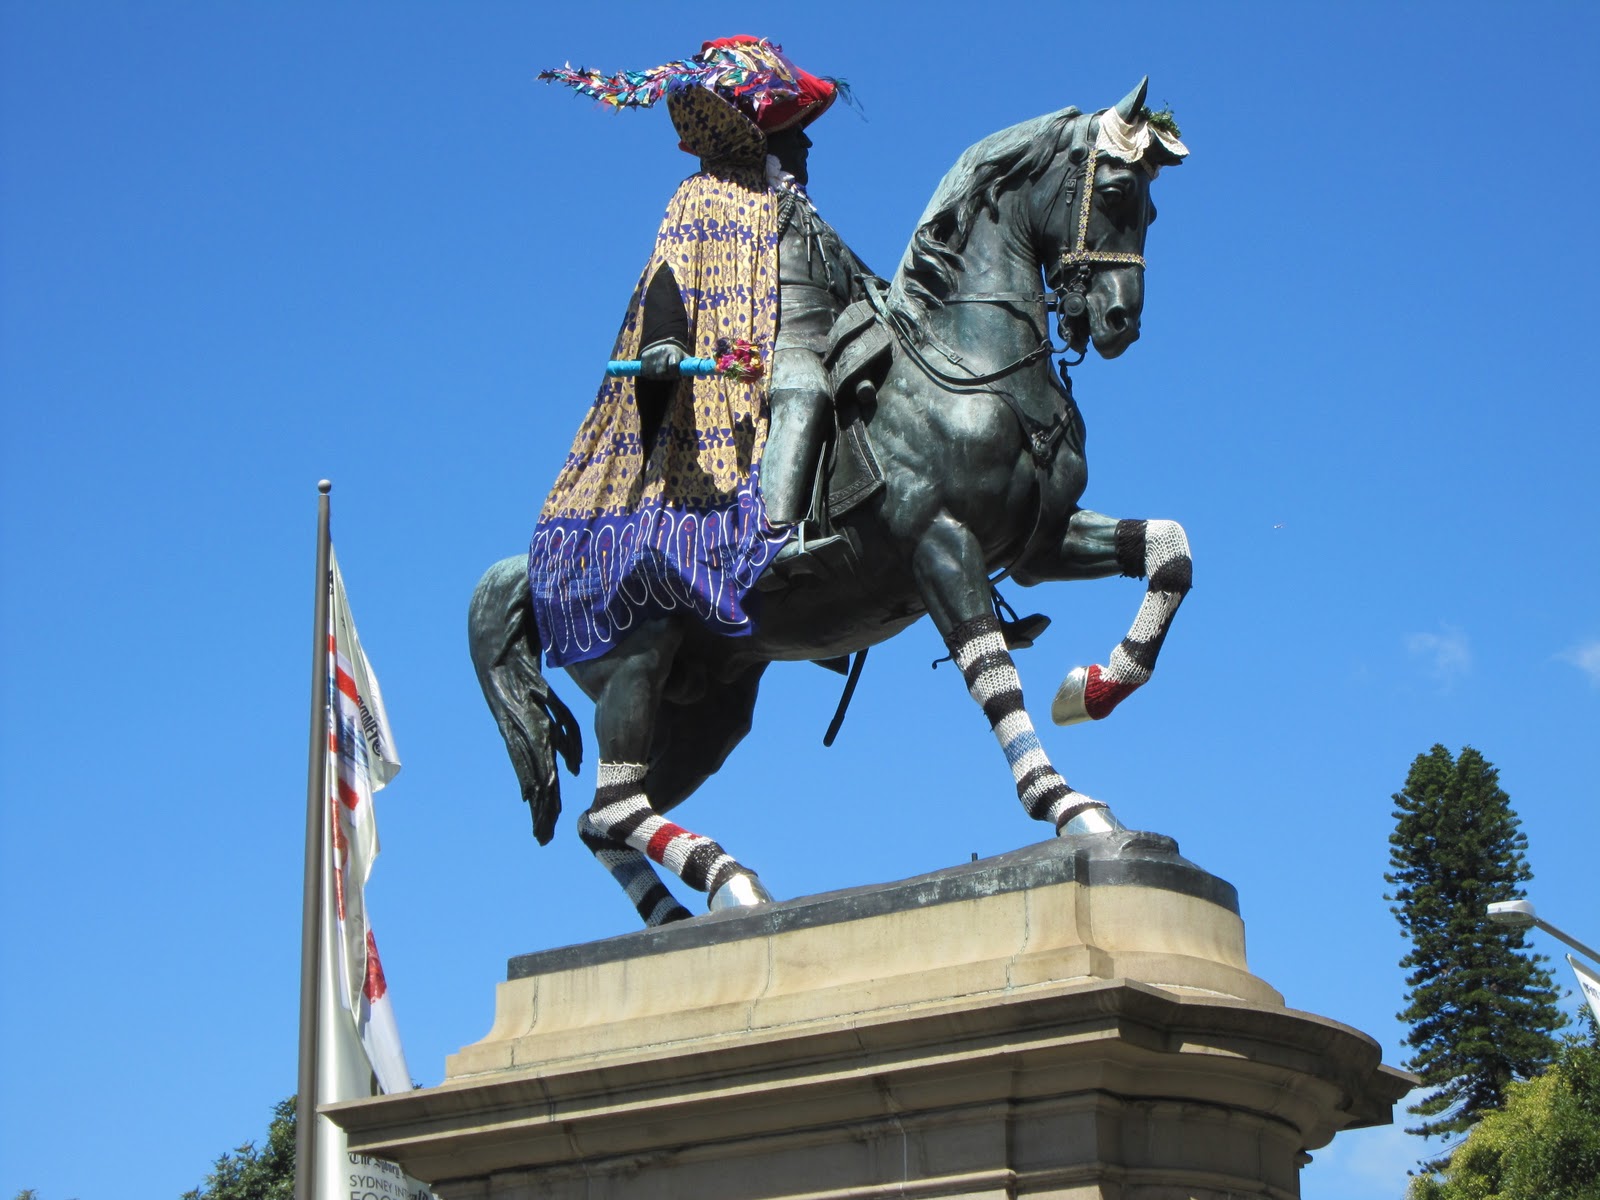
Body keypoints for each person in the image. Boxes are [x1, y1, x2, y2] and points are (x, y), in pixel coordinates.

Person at [531, 37, 871, 668]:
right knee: (803, 395)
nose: (809, 144)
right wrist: (662, 341)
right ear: (768, 138)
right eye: (799, 131)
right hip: (750, 372)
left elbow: (856, 278)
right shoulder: (703, 196)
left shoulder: (800, 210)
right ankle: (780, 544)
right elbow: (670, 274)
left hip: (826, 342)